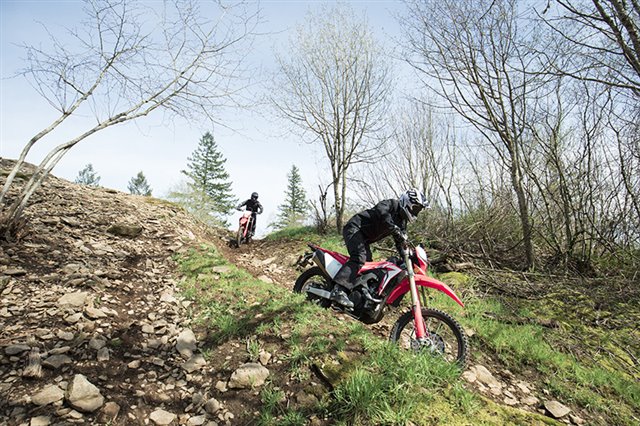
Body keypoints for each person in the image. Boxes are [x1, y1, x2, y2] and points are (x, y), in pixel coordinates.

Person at [330, 189, 428, 308]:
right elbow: (381, 212)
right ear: (408, 202)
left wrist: (408, 257)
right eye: (416, 208)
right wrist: (393, 228)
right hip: (354, 229)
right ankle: (338, 290)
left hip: (364, 239)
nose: (416, 211)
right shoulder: (392, 204)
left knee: (368, 266)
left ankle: (354, 296)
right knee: (359, 258)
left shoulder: (402, 223)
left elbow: (400, 244)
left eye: (419, 209)